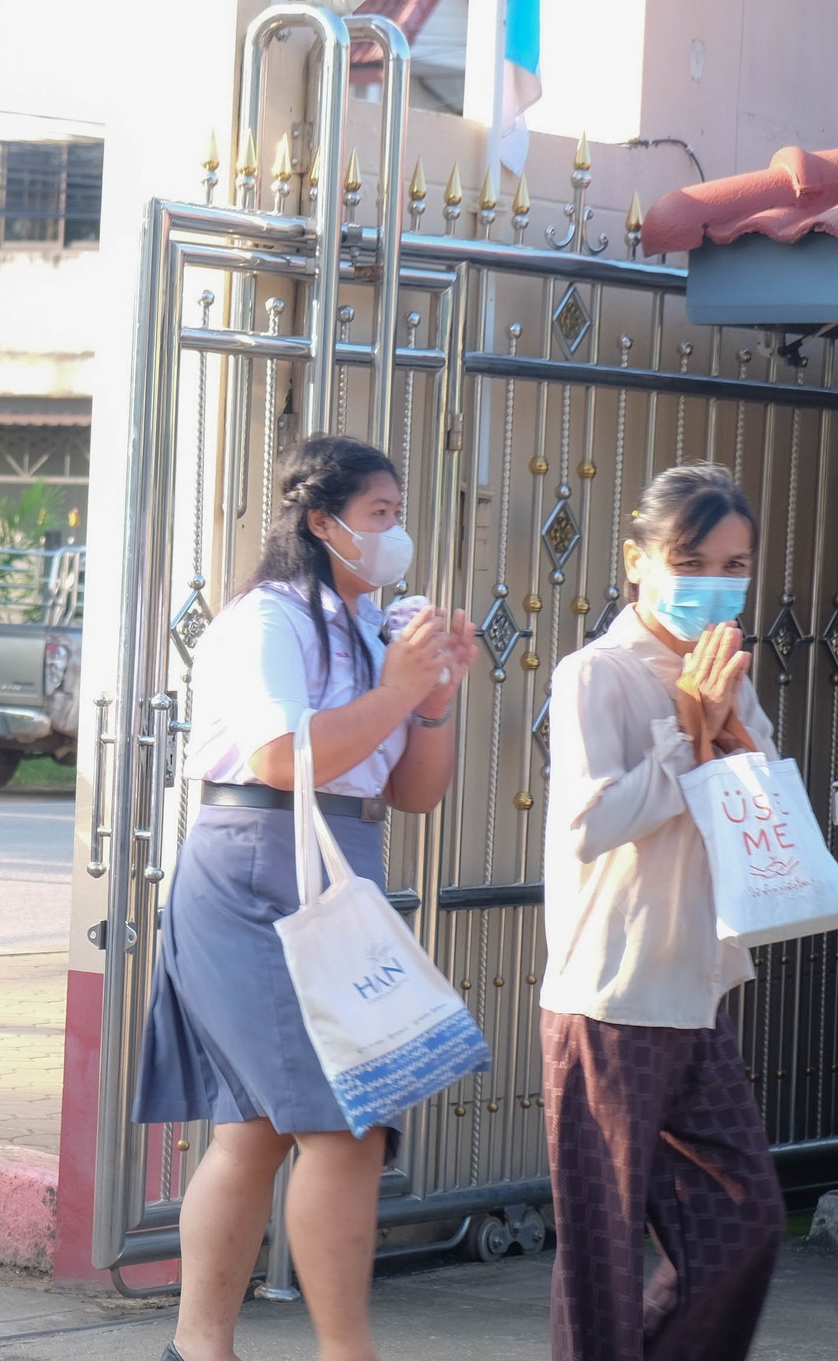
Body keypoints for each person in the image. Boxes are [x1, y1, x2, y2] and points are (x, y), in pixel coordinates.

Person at [134, 435, 477, 1361]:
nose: (396, 533)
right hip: (256, 865)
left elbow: (412, 791)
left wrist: (432, 697)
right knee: (344, 1125)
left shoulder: (374, 622)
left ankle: (197, 1349)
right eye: (380, 514)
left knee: (257, 1130)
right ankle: (341, 1352)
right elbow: (281, 757)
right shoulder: (268, 619)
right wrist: (398, 686)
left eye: (397, 514)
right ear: (322, 523)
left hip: (340, 857)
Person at [541, 463, 785, 1361]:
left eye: (737, 562)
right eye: (693, 558)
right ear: (636, 560)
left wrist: (725, 726)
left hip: (699, 987)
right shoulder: (593, 674)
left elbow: (760, 812)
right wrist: (686, 734)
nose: (717, 582)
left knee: (747, 1218)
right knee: (601, 1255)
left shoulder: (723, 669)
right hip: (609, 995)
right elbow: (588, 825)